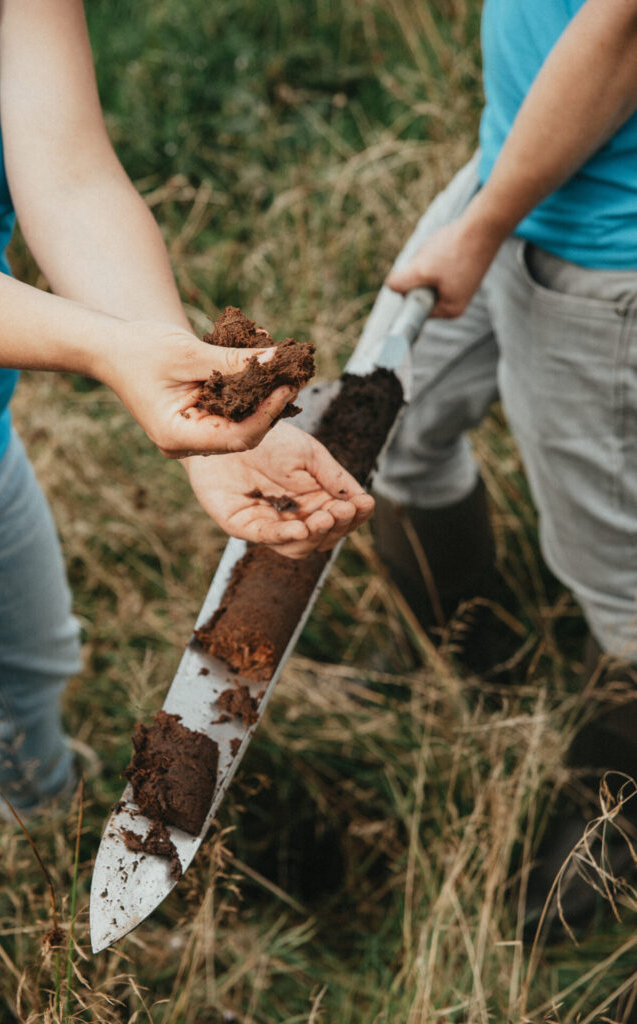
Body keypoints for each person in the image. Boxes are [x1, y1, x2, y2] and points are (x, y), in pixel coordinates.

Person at [0, 0, 375, 1017]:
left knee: (32, 671)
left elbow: (68, 172)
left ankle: (48, 827)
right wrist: (107, 350)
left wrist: (187, 378)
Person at [362, 0, 637, 931]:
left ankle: (612, 811)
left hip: (601, 246)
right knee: (387, 431)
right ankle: (466, 662)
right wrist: (491, 200)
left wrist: (486, 226)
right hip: (518, 160)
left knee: (623, 583)